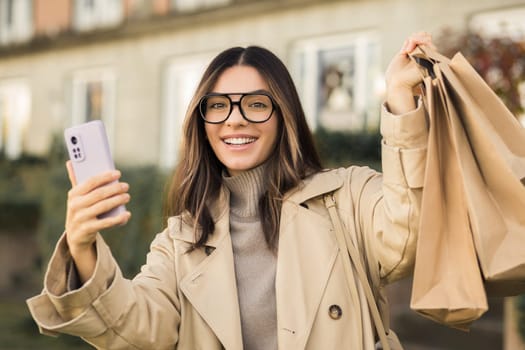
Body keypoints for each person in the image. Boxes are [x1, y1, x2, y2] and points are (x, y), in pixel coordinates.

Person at [27, 32, 433, 349]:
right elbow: (136, 331)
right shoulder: (181, 240)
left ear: (283, 115)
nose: (234, 120)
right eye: (218, 105)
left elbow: (406, 238)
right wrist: (82, 246)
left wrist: (401, 102)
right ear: (202, 122)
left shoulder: (347, 197)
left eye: (256, 104)